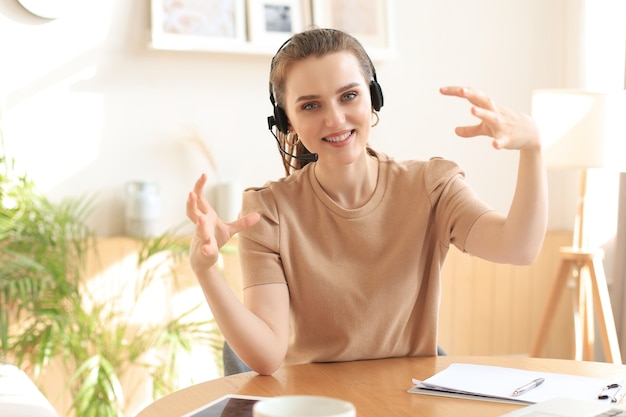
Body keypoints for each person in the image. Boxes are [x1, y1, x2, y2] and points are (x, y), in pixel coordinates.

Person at [186, 28, 548, 376]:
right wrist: (205, 270)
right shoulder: (267, 213)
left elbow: (519, 248)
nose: (335, 119)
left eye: (348, 96)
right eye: (310, 105)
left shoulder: (431, 187)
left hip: (408, 402)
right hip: (315, 407)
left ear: (373, 97)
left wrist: (532, 148)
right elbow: (266, 357)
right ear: (288, 121)